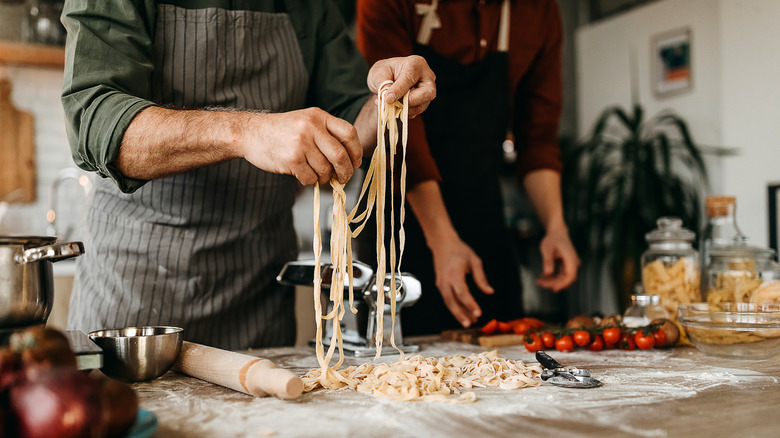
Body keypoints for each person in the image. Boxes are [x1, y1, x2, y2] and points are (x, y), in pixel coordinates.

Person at [60, 0, 435, 350]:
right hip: (135, 306)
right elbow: (95, 121)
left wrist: (387, 101)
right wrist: (246, 131)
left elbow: (348, 127)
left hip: (259, 306)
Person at [356, 0, 580, 334]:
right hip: (398, 228)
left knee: (510, 367)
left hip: (483, 216)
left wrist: (555, 225)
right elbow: (398, 129)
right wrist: (443, 240)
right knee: (402, 374)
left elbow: (538, 136)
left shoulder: (538, 11)